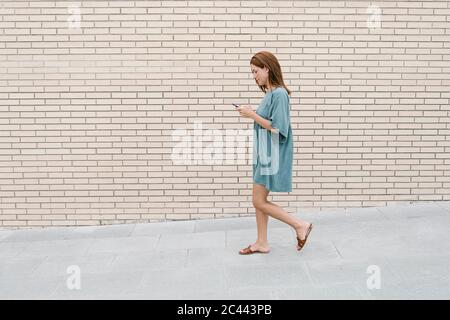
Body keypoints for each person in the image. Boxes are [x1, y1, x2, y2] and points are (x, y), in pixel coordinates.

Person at [236, 51, 313, 255]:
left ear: (267, 69)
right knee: (258, 201)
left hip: (273, 154)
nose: (254, 76)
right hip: (264, 152)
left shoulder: (279, 94)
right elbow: (267, 121)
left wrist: (251, 114)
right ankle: (261, 242)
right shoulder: (270, 94)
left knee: (258, 200)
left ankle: (299, 225)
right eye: (251, 72)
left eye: (255, 71)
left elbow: (279, 129)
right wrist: (253, 112)